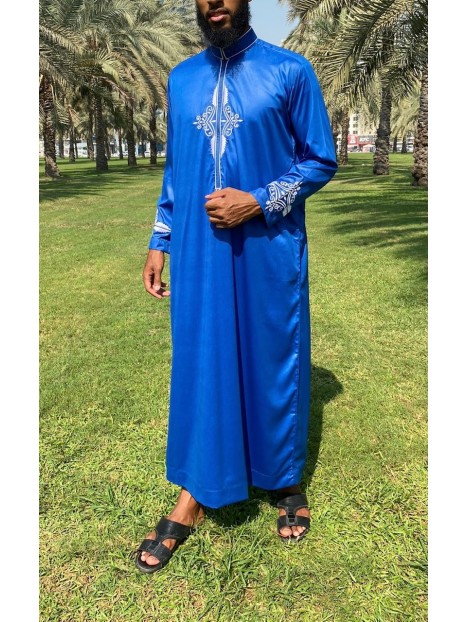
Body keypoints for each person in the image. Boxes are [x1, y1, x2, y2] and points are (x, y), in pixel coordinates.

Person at [136, 0, 337, 573]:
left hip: (267, 246)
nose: (215, 3)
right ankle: (195, 491)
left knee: (271, 354)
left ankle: (283, 477)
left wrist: (259, 200)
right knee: (204, 358)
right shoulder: (182, 78)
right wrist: (160, 238)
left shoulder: (289, 71)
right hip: (200, 249)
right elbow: (177, 171)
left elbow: (319, 159)